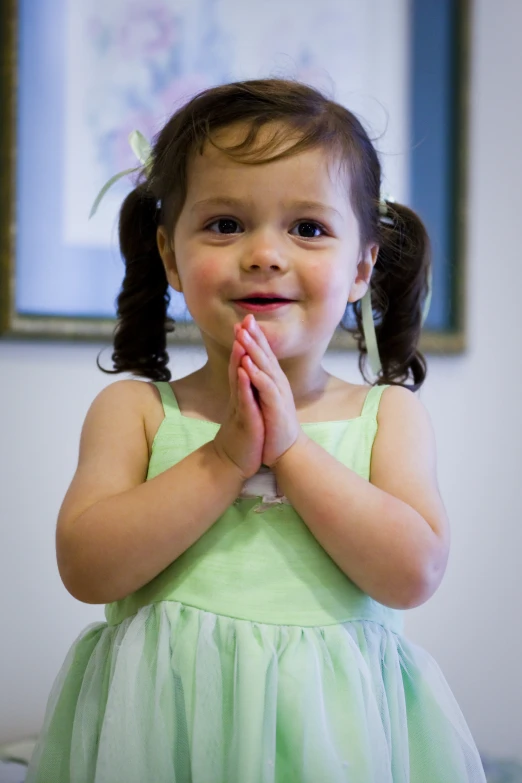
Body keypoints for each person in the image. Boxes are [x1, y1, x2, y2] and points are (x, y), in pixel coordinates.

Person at [26, 79, 486, 782]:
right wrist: (223, 456)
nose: (265, 253)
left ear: (361, 266)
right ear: (172, 257)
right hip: (162, 733)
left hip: (336, 740)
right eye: (225, 224)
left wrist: (291, 450)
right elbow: (88, 569)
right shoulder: (138, 412)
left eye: (307, 227)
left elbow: (412, 572)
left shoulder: (386, 415)